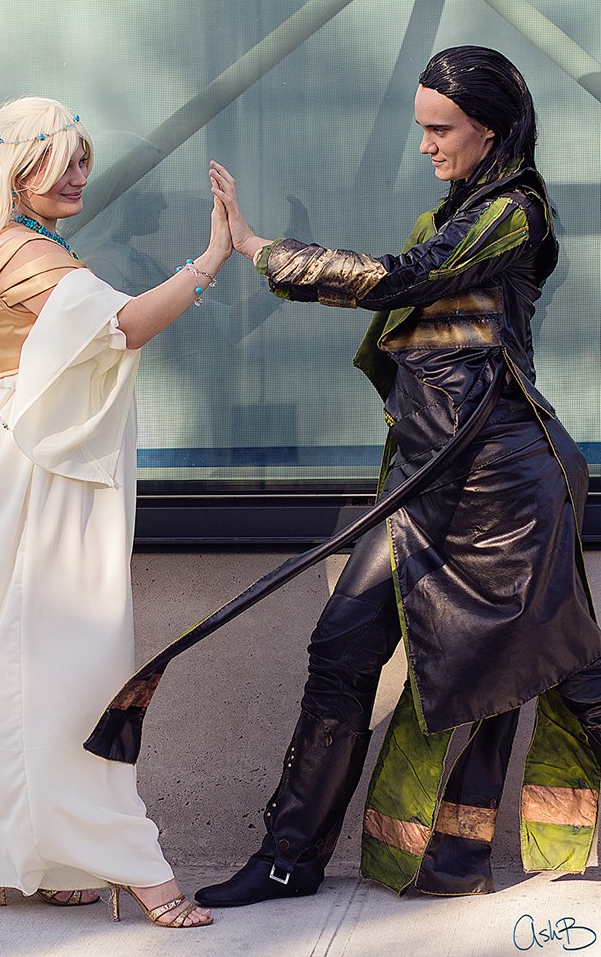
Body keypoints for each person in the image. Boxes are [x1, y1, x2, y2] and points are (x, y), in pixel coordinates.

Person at [197, 46, 601, 906]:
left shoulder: (514, 212)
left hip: (506, 490)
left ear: (490, 130)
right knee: (340, 652)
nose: (424, 144)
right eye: (421, 127)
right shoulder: (457, 213)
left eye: (439, 129)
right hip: (426, 480)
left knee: (570, 672)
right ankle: (287, 859)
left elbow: (401, 280)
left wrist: (260, 248)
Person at [0, 96, 231, 928]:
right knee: (67, 664)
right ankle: (132, 864)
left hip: (27, 463)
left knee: (27, 662)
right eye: (63, 160)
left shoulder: (20, 241)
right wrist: (211, 257)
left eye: (84, 158)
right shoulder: (24, 250)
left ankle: (44, 854)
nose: (81, 174)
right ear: (20, 171)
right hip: (36, 474)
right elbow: (127, 326)